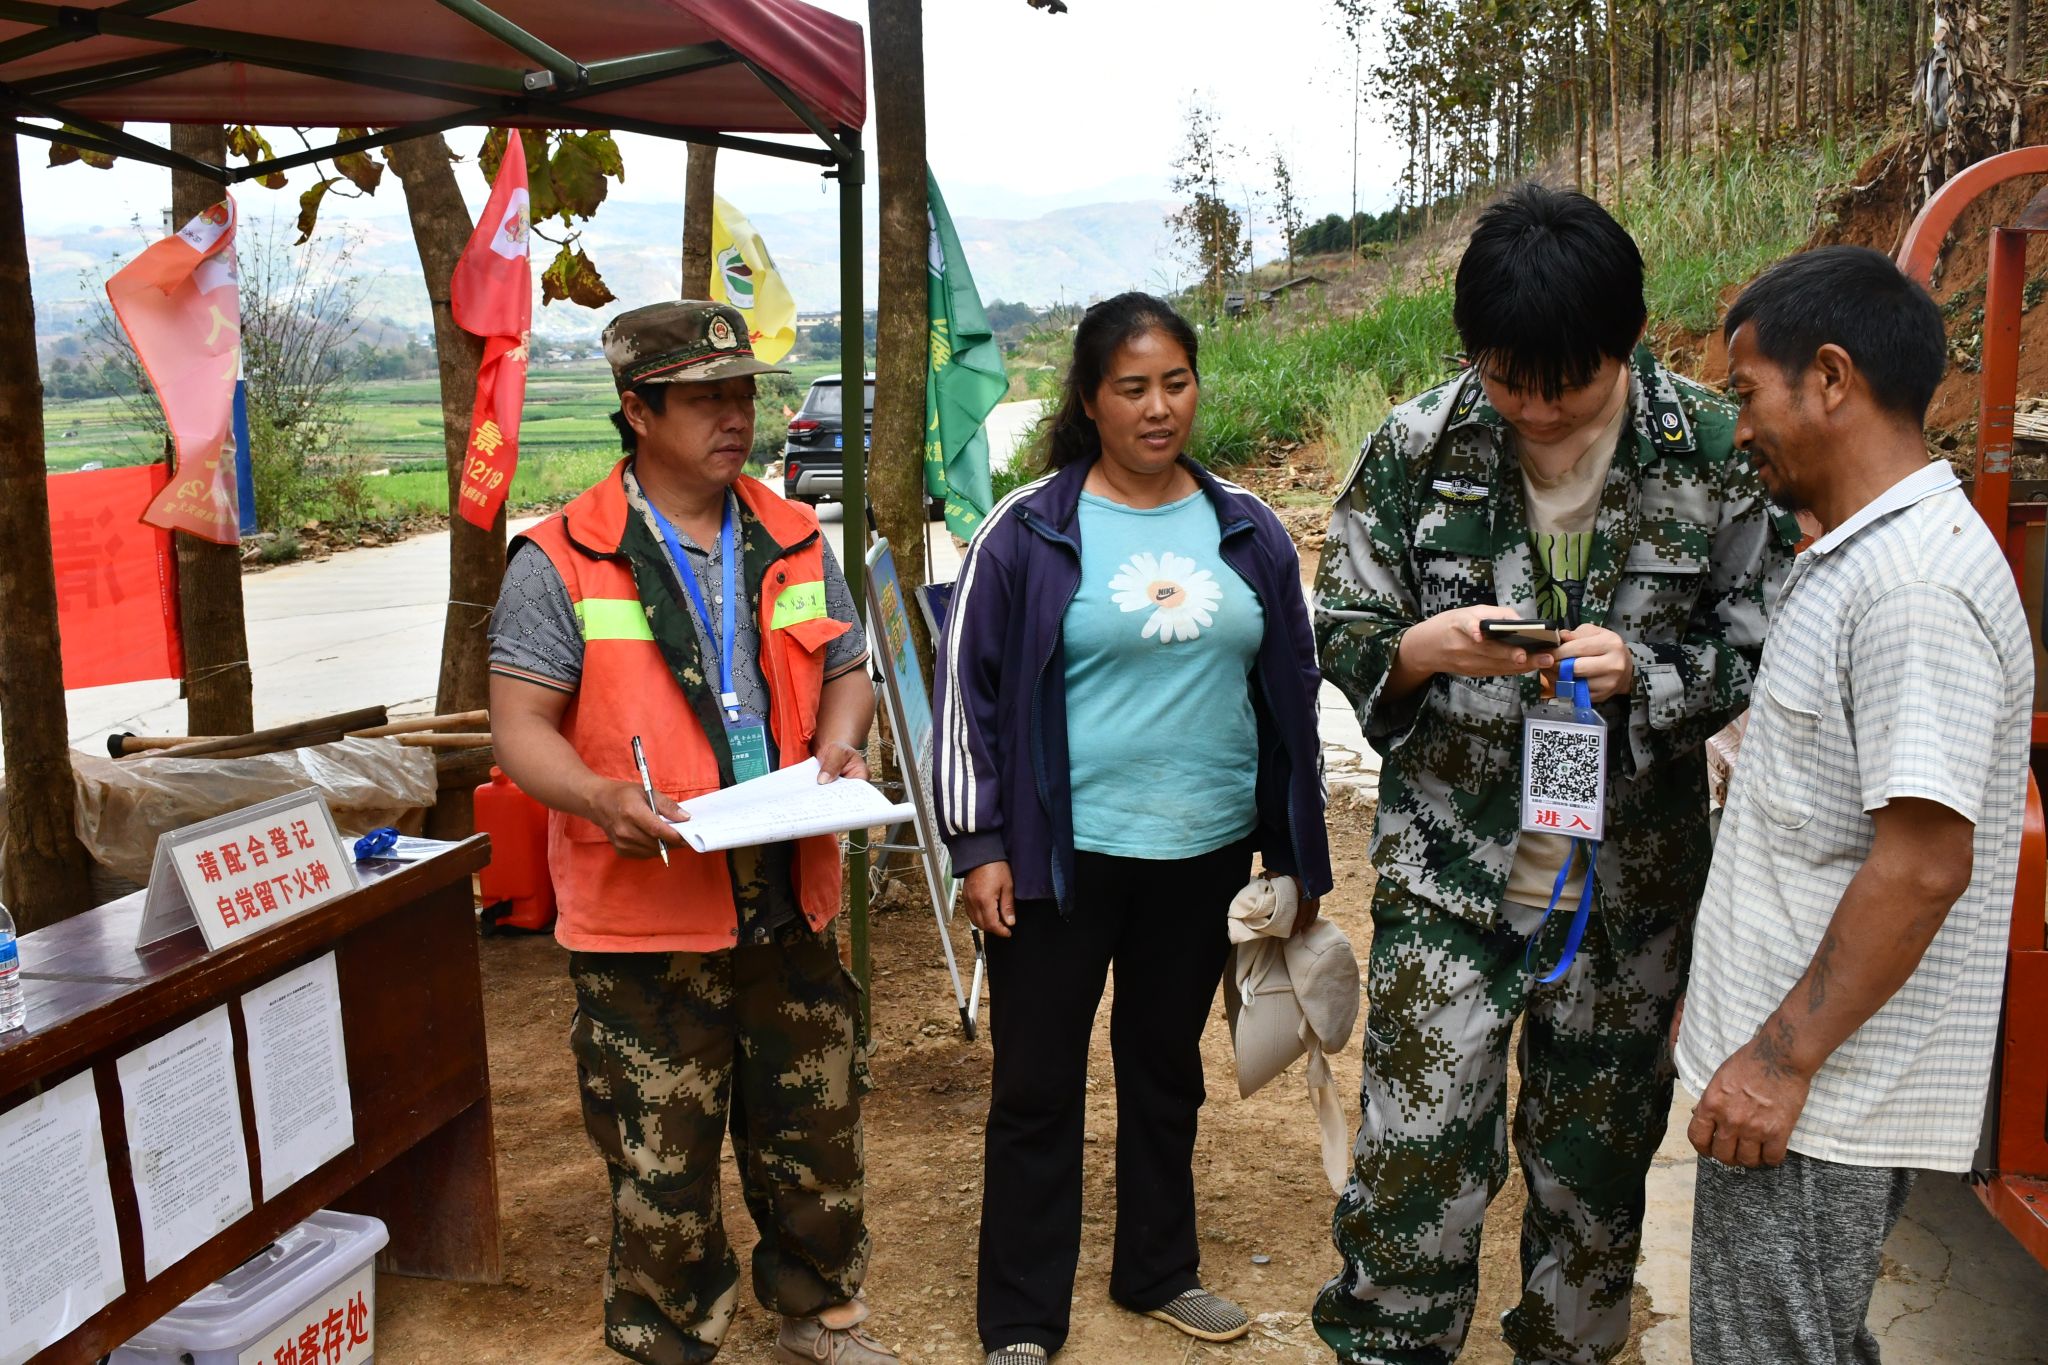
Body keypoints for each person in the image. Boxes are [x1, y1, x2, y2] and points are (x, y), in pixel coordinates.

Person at [1310, 182, 1797, 1365]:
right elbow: (1342, 622)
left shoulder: (1710, 452)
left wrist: (1647, 674)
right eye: (1503, 379)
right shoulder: (1417, 447)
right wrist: (1423, 649)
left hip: (1626, 882)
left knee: (1594, 1168)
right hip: (1454, 868)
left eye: (1562, 385)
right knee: (1414, 1154)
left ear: (1622, 345)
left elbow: (1770, 636)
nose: (1531, 408)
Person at [487, 300, 896, 1365]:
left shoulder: (793, 533)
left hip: (785, 890)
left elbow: (846, 668)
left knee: (813, 1121)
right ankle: (667, 1338)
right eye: (704, 397)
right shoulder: (563, 557)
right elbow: (519, 726)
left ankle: (818, 1313)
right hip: (645, 909)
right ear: (637, 410)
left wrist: (841, 742)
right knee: (658, 1154)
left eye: (743, 392)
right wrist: (595, 798)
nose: (735, 416)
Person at [933, 291, 1332, 1365]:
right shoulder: (1026, 530)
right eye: (1132, 387)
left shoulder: (1245, 526)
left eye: (1176, 383)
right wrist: (979, 845)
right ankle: (1022, 1316)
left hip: (1201, 852)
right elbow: (965, 693)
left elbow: (1290, 691)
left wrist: (1292, 850)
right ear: (1088, 399)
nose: (1159, 408)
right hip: (1060, 860)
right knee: (1036, 1083)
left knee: (1164, 1068)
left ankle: (1157, 1268)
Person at [1677, 246, 2032, 1365]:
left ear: (1829, 377)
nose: (1739, 429)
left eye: (1747, 394)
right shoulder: (1860, 557)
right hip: (1802, 1087)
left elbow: (1922, 865)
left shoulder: (1910, 587)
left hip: (1814, 1104)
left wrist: (1776, 1062)